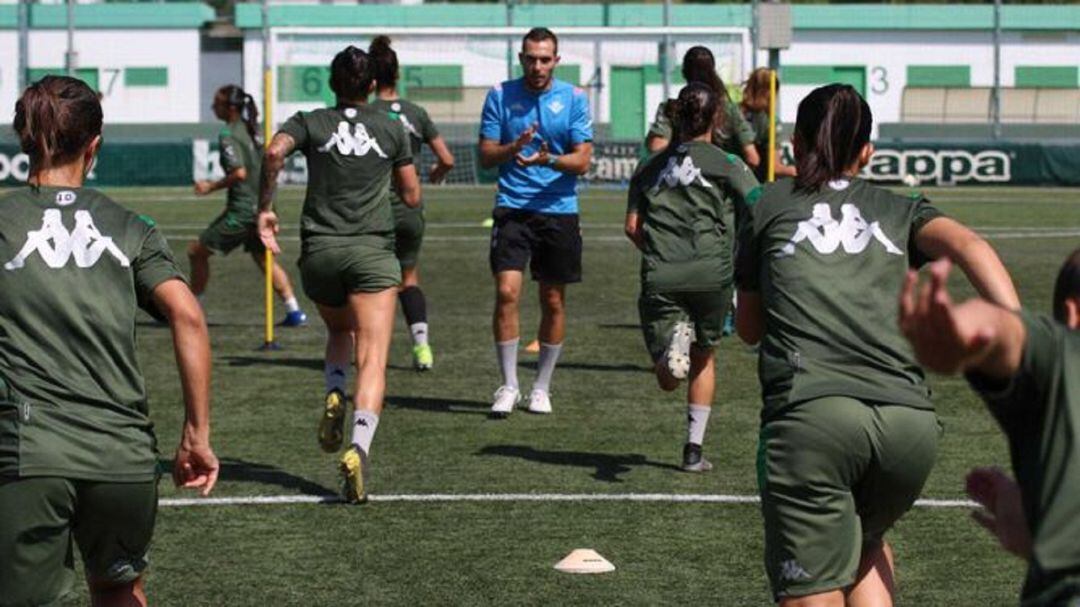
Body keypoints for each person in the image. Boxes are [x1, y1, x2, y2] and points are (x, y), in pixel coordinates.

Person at [734, 83, 1019, 606]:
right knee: (864, 547)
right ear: (868, 151)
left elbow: (749, 329)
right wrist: (1020, 332)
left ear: (795, 145)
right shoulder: (901, 206)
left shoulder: (766, 201)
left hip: (813, 418)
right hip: (909, 428)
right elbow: (971, 245)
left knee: (812, 589)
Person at [0, 76, 219, 606]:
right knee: (121, 592)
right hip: (122, 456)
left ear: (21, 138)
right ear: (95, 144)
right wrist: (196, 433)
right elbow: (187, 316)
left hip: (33, 454)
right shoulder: (129, 226)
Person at [257, 46, 420, 504]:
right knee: (372, 357)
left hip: (320, 254)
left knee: (338, 330)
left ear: (332, 83)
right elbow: (410, 195)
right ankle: (358, 450)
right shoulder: (391, 127)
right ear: (372, 85)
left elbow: (273, 152)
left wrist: (265, 209)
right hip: (371, 252)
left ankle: (333, 391)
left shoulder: (310, 121)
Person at [899, 249, 1080, 606]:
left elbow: (1000, 328)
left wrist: (961, 330)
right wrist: (1038, 524)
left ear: (1072, 315)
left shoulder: (1066, 356)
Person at [625, 82, 761, 472]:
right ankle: (693, 452)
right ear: (717, 118)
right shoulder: (729, 163)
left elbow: (633, 228)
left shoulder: (648, 168)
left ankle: (671, 354)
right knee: (705, 359)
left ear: (674, 117)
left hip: (663, 273)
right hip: (713, 274)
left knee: (668, 378)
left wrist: (661, 254)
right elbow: (759, 209)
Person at [478, 27, 593, 418]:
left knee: (553, 299)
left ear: (556, 60)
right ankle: (509, 385)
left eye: (545, 59)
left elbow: (582, 161)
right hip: (512, 207)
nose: (538, 65)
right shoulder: (499, 95)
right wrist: (514, 148)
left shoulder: (575, 98)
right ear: (521, 58)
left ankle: (541, 387)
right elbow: (486, 156)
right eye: (531, 58)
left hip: (559, 210)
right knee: (507, 292)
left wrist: (546, 160)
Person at [368, 36, 456, 372]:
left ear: (371, 79)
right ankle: (422, 348)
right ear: (398, 75)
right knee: (409, 278)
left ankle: (372, 354)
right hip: (410, 208)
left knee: (373, 283)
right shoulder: (416, 113)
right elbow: (446, 158)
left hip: (375, 210)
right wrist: (434, 173)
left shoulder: (366, 113)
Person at [189, 85, 307, 326]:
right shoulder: (254, 130)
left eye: (217, 103)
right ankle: (294, 310)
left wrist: (209, 187)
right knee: (264, 259)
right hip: (265, 206)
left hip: (243, 211)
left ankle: (192, 309)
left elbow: (239, 173)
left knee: (196, 252)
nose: (213, 107)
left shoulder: (228, 134)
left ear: (230, 108)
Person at [645, 46, 760, 172]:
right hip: (720, 183)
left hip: (681, 183)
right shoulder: (729, 110)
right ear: (713, 70)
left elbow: (657, 147)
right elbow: (752, 158)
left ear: (684, 72)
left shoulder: (672, 108)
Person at [741, 67, 797, 183]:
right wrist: (796, 171)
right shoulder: (770, 121)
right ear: (769, 93)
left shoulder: (732, 112)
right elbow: (775, 167)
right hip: (756, 185)